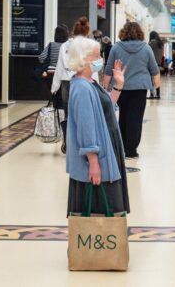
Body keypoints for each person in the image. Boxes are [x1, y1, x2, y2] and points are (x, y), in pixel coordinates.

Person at [65, 38, 130, 217]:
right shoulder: (81, 88)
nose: (100, 58)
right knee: (102, 208)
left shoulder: (90, 83)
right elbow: (86, 127)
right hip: (98, 157)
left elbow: (107, 106)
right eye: (96, 55)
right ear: (83, 59)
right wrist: (93, 161)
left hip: (106, 149)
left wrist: (118, 85)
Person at [103, 21, 161, 160]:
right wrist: (156, 86)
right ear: (140, 33)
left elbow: (108, 68)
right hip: (140, 89)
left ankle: (122, 146)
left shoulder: (116, 47)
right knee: (136, 118)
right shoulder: (146, 48)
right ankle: (132, 150)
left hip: (120, 87)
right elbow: (154, 70)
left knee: (122, 116)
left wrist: (105, 87)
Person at [52, 17, 96, 154]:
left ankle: (68, 143)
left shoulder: (65, 46)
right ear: (87, 32)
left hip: (67, 83)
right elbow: (94, 66)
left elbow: (59, 67)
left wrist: (54, 87)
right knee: (85, 113)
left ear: (73, 32)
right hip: (85, 82)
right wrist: (96, 84)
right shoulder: (91, 45)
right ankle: (83, 143)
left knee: (68, 113)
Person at [39, 25, 68, 93]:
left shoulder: (51, 45)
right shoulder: (66, 46)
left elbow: (41, 57)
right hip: (63, 73)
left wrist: (48, 63)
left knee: (54, 94)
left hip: (51, 73)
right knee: (62, 96)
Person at [148, 31, 164, 98]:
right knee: (157, 79)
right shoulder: (160, 43)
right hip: (158, 63)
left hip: (152, 63)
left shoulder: (153, 42)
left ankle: (152, 94)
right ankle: (158, 94)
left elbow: (146, 47)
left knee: (151, 79)